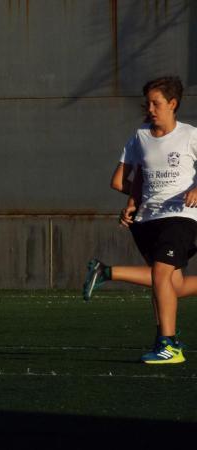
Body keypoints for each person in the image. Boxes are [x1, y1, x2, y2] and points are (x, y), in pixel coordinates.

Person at [85, 76, 197, 364]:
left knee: (160, 274)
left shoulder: (190, 135)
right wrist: (132, 203)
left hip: (181, 215)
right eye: (147, 102)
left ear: (172, 104)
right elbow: (134, 180)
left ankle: (169, 345)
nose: (150, 108)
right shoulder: (140, 137)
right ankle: (162, 340)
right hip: (148, 219)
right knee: (172, 284)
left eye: (156, 103)